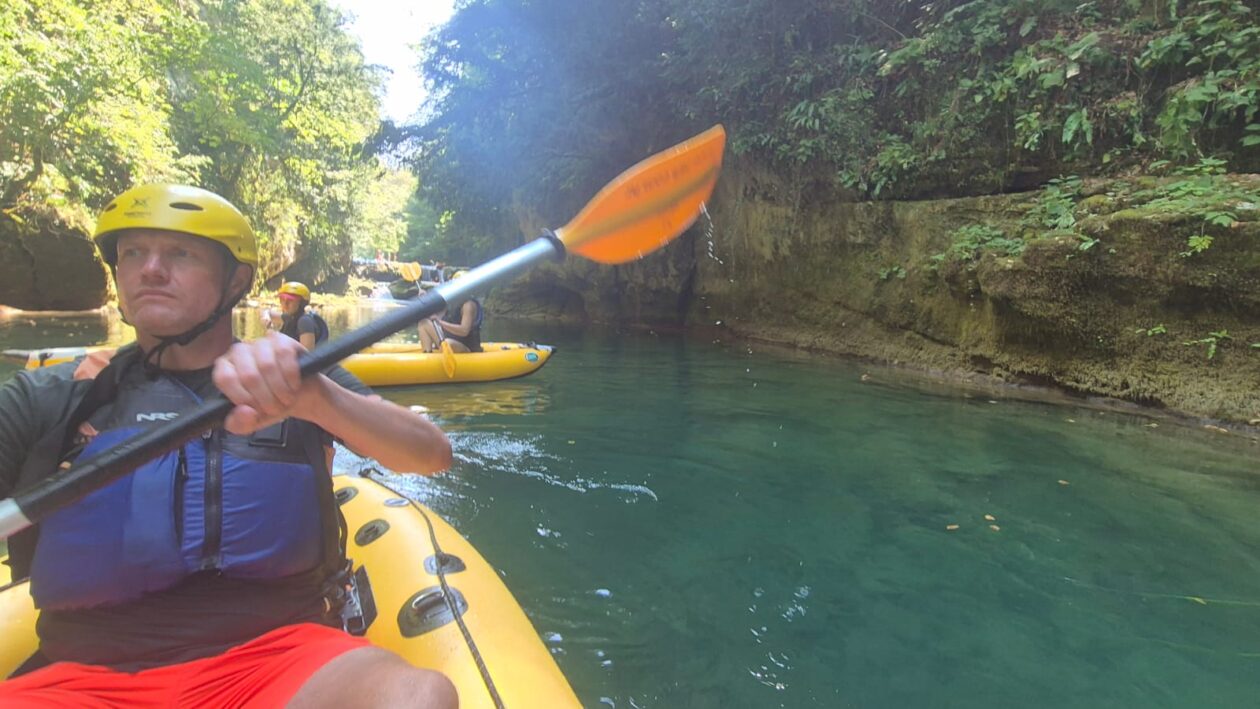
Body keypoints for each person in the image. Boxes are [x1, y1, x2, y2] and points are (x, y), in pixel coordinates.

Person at [0, 184, 457, 707]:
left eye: (180, 253)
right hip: (80, 676)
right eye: (132, 253)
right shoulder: (54, 396)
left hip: (281, 655)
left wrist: (316, 399)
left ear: (235, 280)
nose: (150, 269)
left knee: (416, 696)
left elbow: (430, 455)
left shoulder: (299, 377)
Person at [417, 271, 483, 353]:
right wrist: (425, 299)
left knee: (447, 343)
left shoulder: (468, 305)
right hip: (449, 342)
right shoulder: (451, 302)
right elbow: (434, 317)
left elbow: (464, 331)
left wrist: (440, 323)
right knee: (424, 323)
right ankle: (427, 354)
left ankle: (440, 350)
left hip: (467, 348)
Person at [265, 281, 329, 349]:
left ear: (301, 303)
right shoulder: (290, 317)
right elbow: (268, 313)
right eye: (282, 299)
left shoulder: (305, 322)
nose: (285, 304)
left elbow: (307, 355)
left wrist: (274, 336)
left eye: (290, 300)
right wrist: (266, 317)